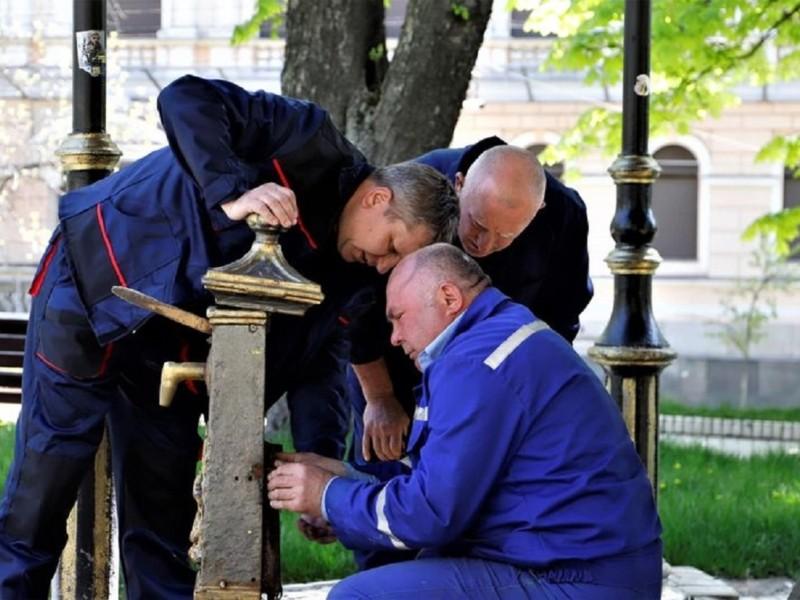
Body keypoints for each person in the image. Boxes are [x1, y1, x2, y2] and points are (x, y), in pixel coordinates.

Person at [0, 75, 459, 599]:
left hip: (170, 356)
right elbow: (184, 97)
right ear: (378, 198)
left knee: (161, 521)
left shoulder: (358, 272)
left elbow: (322, 360)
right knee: (43, 488)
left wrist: (318, 463)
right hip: (95, 278)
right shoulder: (304, 135)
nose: (387, 266)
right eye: (394, 247)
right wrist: (233, 190)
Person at [267, 244, 663, 599]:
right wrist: (346, 481)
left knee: (360, 598)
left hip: (572, 579)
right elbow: (444, 484)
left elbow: (431, 516)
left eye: (399, 317)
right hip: (578, 566)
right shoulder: (492, 342)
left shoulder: (478, 362)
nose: (394, 337)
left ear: (449, 297)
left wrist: (327, 494)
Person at [347, 140, 593, 538]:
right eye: (476, 225)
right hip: (392, 366)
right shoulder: (416, 186)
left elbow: (560, 321)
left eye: (505, 236)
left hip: (498, 383)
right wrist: (379, 398)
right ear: (458, 184)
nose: (484, 245)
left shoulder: (564, 215)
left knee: (478, 499)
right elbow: (356, 304)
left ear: (538, 213)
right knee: (386, 484)